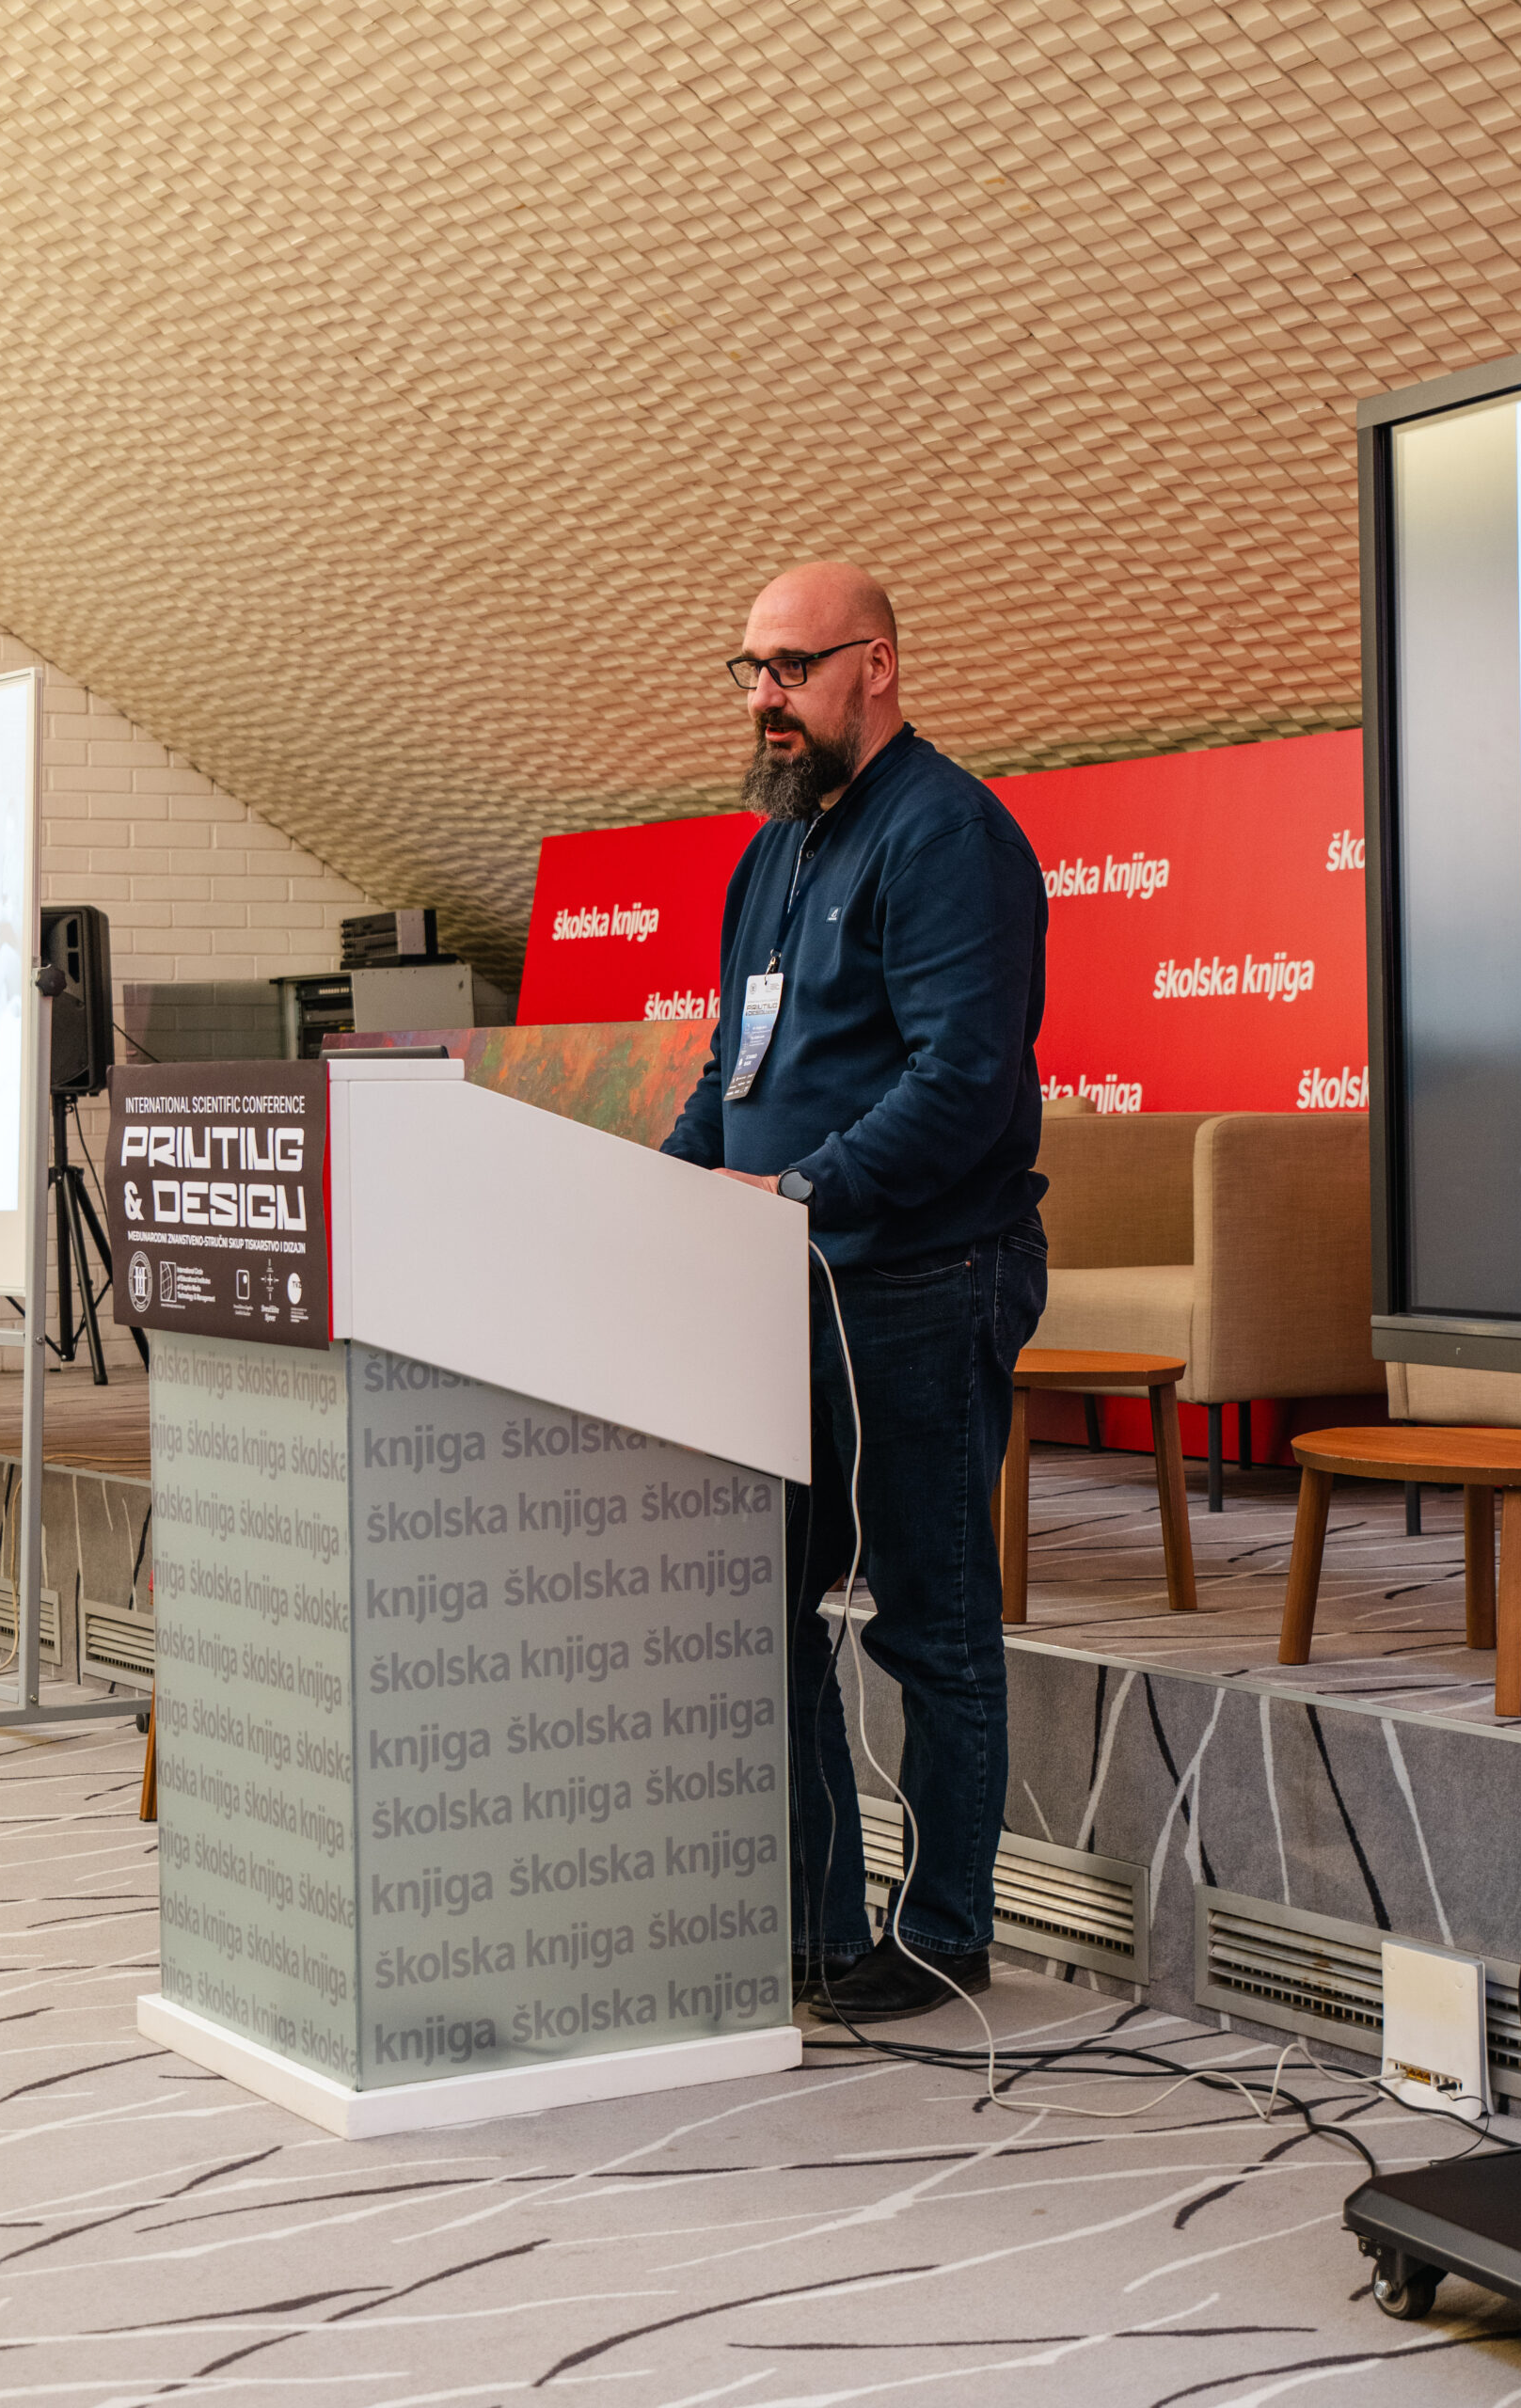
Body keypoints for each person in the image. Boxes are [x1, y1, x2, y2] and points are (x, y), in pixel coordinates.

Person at [660, 560, 1048, 2022]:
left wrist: (799, 1191)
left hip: (922, 1283)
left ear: (875, 665)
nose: (765, 696)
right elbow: (732, 1073)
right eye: (750, 669)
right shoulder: (774, 852)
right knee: (759, 1611)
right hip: (786, 1286)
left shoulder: (947, 836)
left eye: (793, 667)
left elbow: (964, 1079)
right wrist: (660, 1198)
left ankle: (945, 1934)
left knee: (928, 1625)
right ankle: (819, 1927)